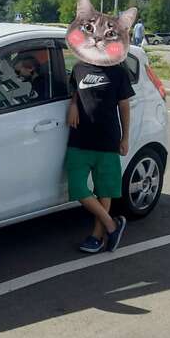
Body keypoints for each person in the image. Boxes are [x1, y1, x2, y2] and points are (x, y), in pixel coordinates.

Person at [66, 58, 133, 253]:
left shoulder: (118, 72)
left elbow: (124, 106)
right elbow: (75, 91)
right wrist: (73, 104)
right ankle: (112, 225)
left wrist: (125, 138)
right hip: (79, 139)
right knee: (77, 187)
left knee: (104, 190)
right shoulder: (79, 67)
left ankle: (96, 237)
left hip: (107, 140)